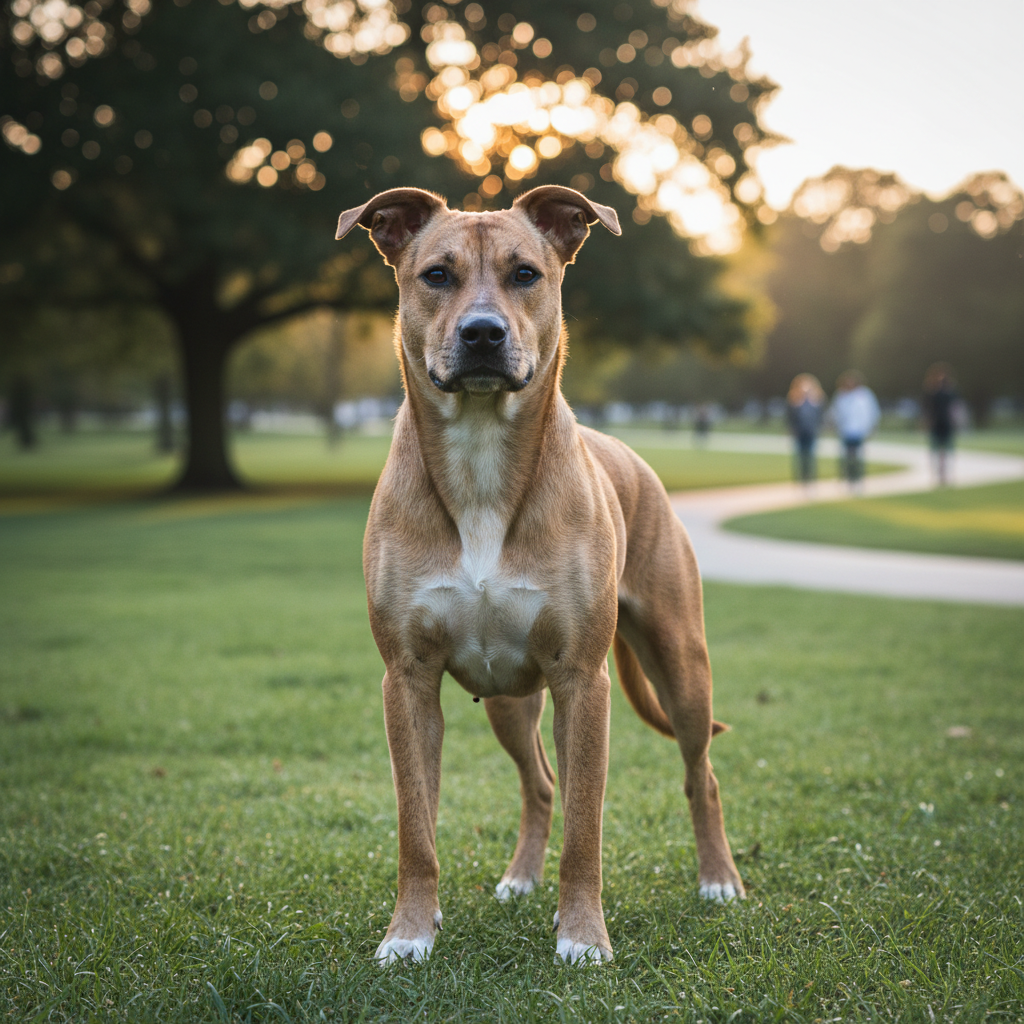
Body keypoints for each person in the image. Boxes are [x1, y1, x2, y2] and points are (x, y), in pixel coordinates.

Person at [830, 370, 880, 490]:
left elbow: (872, 412)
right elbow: (835, 413)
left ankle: (858, 480)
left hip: (860, 431)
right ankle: (848, 479)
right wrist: (834, 425)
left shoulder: (865, 395)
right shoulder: (841, 395)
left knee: (858, 457)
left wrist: (872, 427)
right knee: (846, 458)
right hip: (845, 431)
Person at [922, 363, 958, 486]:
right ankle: (940, 474)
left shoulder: (943, 394)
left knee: (941, 452)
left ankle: (942, 474)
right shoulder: (937, 394)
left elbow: (952, 409)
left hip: (942, 425)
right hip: (939, 425)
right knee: (940, 452)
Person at [786, 373, 825, 485]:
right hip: (799, 432)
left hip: (811, 432)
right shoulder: (794, 401)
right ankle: (801, 478)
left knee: (810, 456)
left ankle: (810, 478)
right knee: (800, 456)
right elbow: (790, 417)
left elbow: (820, 417)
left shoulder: (816, 401)